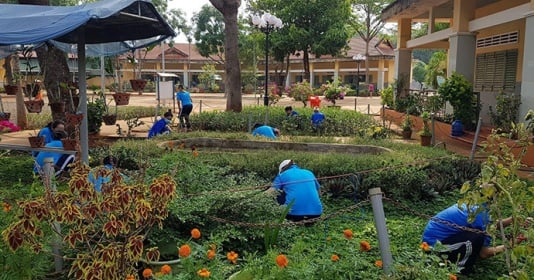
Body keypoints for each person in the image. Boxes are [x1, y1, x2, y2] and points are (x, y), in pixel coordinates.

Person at [422, 203, 515, 274]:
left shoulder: (476, 205)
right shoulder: (482, 215)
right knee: (477, 237)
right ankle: (459, 269)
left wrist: (512, 220)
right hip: (434, 249)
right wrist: (510, 245)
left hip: (433, 242)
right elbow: (484, 253)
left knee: (476, 234)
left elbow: (490, 225)